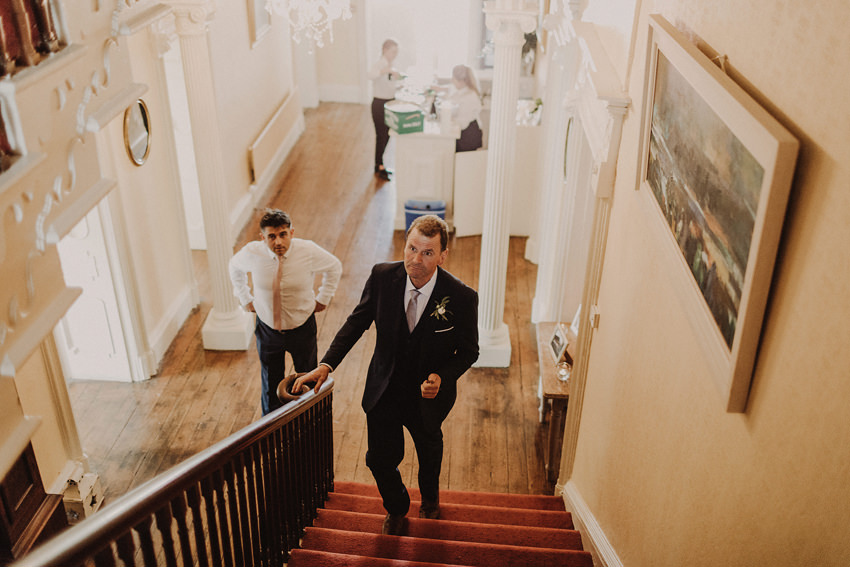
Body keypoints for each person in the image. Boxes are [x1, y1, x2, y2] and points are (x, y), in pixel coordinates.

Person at [295, 215, 478, 535]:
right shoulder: (382, 277)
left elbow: (468, 351)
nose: (416, 259)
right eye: (411, 248)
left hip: (426, 398)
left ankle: (431, 501)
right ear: (405, 244)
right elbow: (356, 323)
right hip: (385, 389)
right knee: (378, 459)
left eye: (427, 253)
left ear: (443, 255)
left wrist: (442, 376)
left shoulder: (462, 297)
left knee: (429, 453)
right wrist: (326, 365)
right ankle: (396, 506)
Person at [229, 209, 342, 416]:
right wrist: (244, 298)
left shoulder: (307, 251)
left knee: (306, 377)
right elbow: (234, 267)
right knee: (270, 381)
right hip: (268, 329)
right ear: (263, 238)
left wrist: (323, 298)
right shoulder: (253, 252)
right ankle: (270, 425)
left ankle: (308, 419)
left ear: (292, 233)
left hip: (302, 329)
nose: (278, 242)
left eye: (283, 234)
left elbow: (334, 266)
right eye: (272, 236)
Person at [368, 39, 401, 181]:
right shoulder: (380, 64)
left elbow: (389, 85)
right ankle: (379, 165)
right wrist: (385, 70)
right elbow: (370, 75)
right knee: (381, 135)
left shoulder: (391, 65)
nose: (395, 55)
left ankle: (379, 163)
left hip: (389, 102)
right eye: (393, 51)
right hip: (379, 104)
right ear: (384, 50)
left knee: (387, 134)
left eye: (396, 52)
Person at [444, 64, 483, 152]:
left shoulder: (470, 96)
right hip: (466, 133)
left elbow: (463, 122)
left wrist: (450, 120)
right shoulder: (462, 92)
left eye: (453, 79)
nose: (452, 81)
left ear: (461, 81)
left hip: (469, 136)